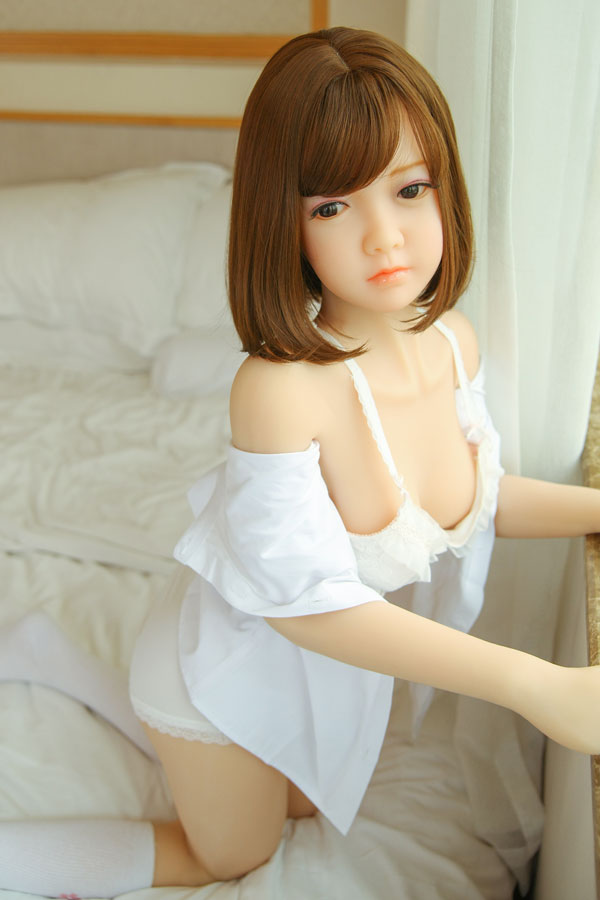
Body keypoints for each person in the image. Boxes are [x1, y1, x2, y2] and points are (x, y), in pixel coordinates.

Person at [1, 25, 600, 898]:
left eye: (409, 189)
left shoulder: (452, 342)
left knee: (303, 806)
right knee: (231, 856)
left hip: (325, 676)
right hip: (224, 669)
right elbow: (303, 608)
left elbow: (478, 497)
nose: (384, 238)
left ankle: (53, 658)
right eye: (332, 208)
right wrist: (530, 682)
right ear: (282, 222)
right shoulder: (281, 390)